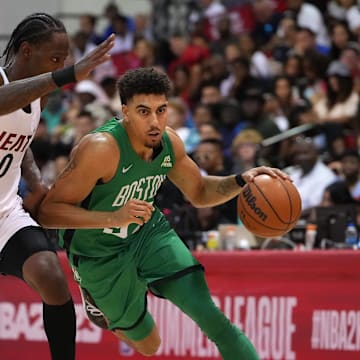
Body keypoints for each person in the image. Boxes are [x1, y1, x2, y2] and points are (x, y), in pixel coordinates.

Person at [39, 67, 289, 359]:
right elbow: (48, 213)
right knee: (149, 345)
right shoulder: (100, 149)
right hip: (97, 252)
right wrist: (113, 217)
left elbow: (199, 192)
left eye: (161, 110)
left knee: (213, 319)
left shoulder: (169, 143)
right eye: (143, 112)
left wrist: (240, 181)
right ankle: (97, 300)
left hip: (147, 233)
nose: (155, 121)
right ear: (125, 112)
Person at [0, 12, 114, 360]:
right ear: (25, 51)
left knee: (51, 277)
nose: (59, 65)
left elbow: (22, 144)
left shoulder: (39, 98)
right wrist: (64, 75)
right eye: (54, 59)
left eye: (62, 60)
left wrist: (35, 182)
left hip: (4, 214)